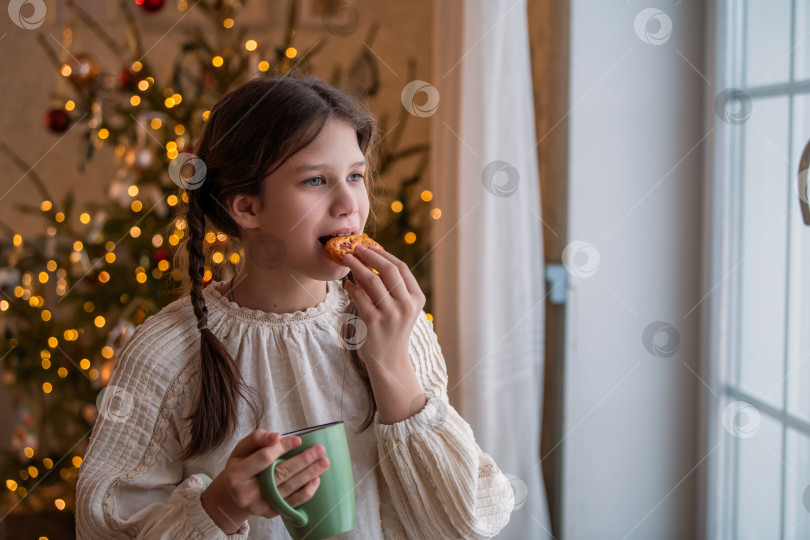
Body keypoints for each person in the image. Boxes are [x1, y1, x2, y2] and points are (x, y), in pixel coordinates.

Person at [75, 71, 515, 539]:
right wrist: (221, 507)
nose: (349, 203)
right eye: (315, 181)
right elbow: (102, 527)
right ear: (246, 208)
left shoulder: (392, 323)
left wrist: (391, 365)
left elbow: (464, 523)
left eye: (355, 176)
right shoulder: (168, 351)